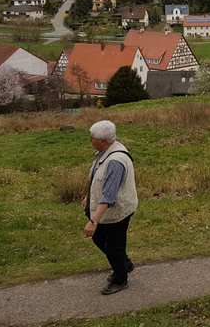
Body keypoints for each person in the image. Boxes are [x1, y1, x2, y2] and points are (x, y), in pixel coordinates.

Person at [82, 120, 138, 295]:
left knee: (114, 246)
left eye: (93, 138)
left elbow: (109, 196)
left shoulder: (115, 160)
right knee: (100, 239)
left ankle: (120, 279)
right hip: (106, 211)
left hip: (117, 213)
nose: (90, 140)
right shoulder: (104, 152)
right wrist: (88, 197)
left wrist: (93, 221)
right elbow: (97, 177)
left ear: (103, 141)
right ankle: (123, 263)